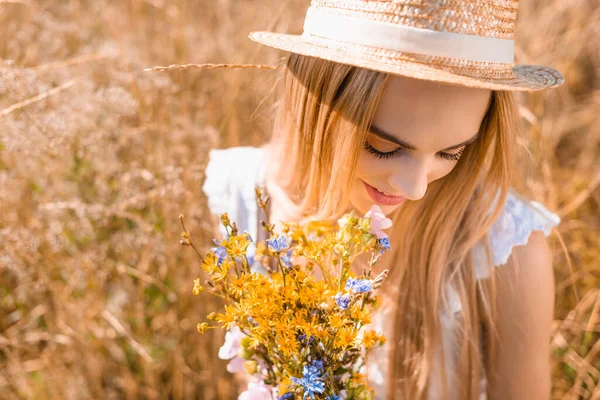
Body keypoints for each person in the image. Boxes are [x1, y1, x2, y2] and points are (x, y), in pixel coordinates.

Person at [201, 1, 564, 399]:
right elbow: (252, 377)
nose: (415, 188)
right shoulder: (245, 202)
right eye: (384, 147)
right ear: (316, 107)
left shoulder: (506, 253)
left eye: (451, 152)